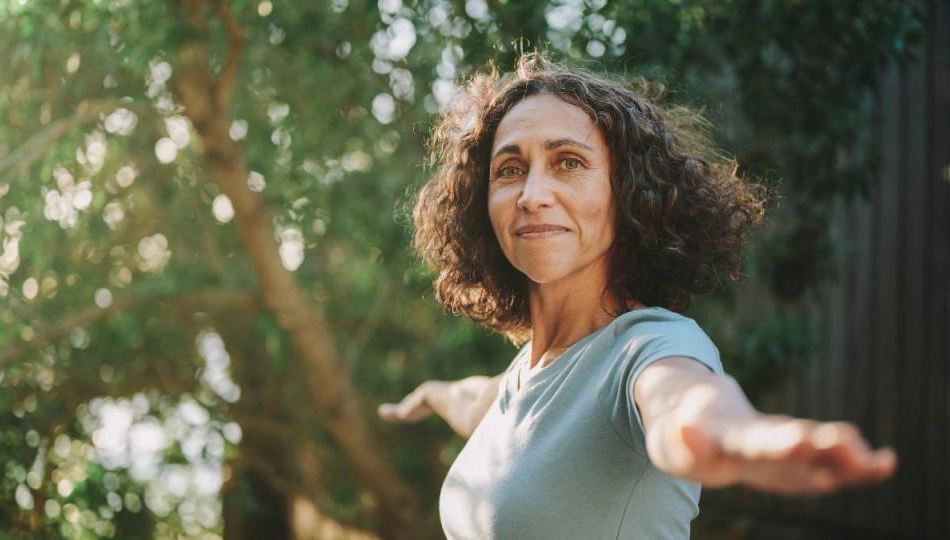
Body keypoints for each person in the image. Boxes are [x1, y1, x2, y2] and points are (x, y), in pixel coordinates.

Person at [378, 54, 897, 539]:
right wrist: (427, 395)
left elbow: (684, 403)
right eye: (509, 170)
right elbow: (474, 399)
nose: (532, 195)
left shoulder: (646, 347)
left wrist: (739, 438)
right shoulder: (525, 375)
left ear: (628, 193)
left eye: (568, 163)